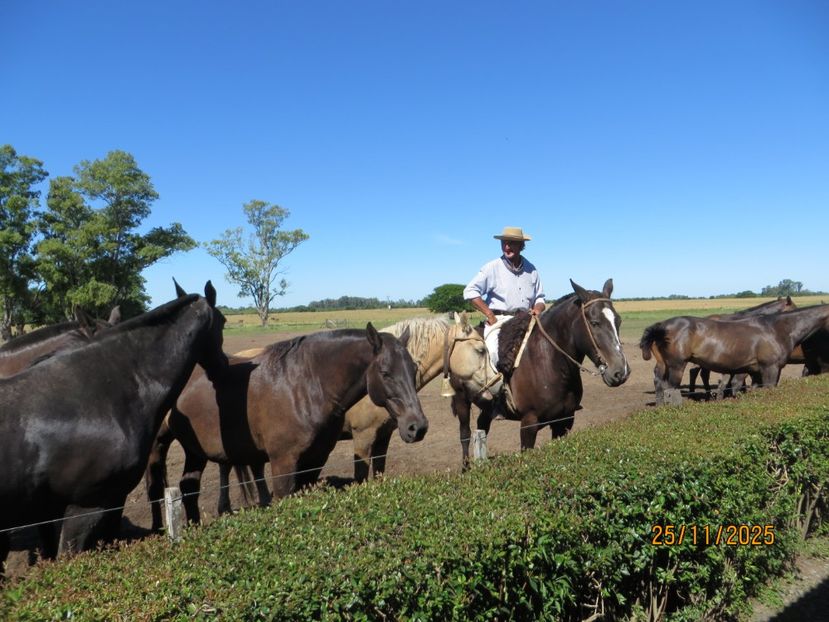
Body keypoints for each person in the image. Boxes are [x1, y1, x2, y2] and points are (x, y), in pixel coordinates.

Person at [463, 226, 546, 376]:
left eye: (511, 243)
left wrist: (538, 309)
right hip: (499, 321)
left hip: (527, 320)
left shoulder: (531, 269)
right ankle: (498, 387)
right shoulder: (492, 268)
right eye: (504, 243)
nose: (507, 247)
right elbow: (470, 291)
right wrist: (489, 314)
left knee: (545, 349)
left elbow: (539, 297)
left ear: (521, 245)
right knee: (495, 354)